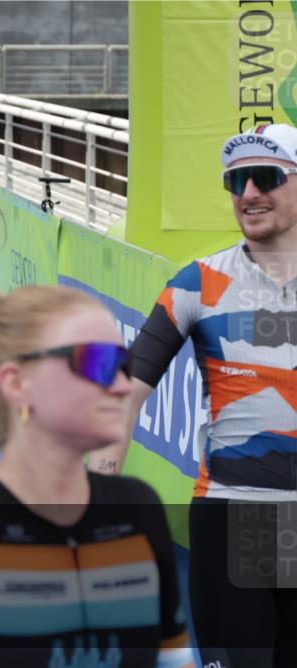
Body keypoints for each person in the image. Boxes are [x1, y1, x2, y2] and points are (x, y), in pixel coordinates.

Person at [0, 285, 194, 668]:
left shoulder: (138, 508)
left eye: (124, 366)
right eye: (97, 363)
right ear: (16, 382)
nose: (124, 385)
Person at [89, 123, 297, 668]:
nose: (249, 194)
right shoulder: (197, 283)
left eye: (266, 177)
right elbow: (126, 391)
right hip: (238, 514)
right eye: (236, 181)